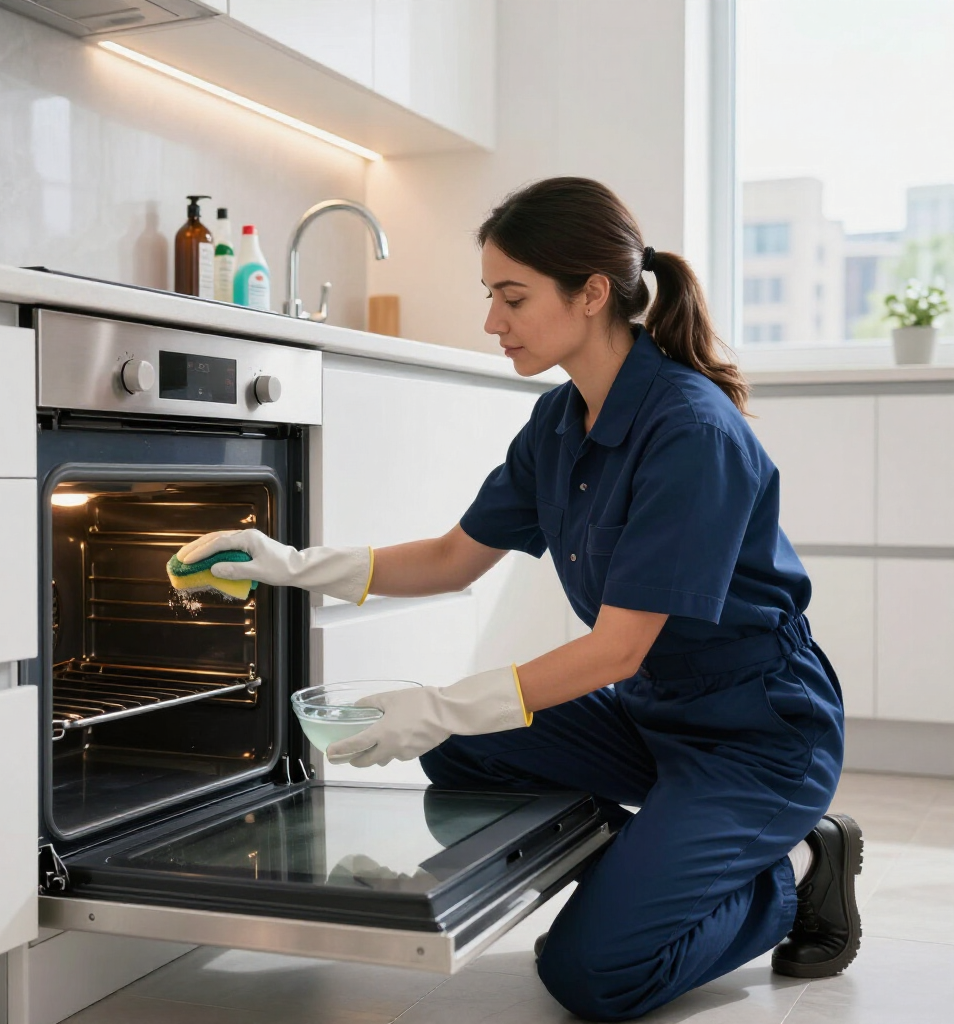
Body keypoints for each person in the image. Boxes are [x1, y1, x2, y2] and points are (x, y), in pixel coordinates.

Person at [177, 177, 862, 1022]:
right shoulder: (558, 421)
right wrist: (290, 564)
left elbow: (616, 650)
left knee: (590, 974)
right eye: (490, 297)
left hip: (757, 736)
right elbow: (453, 558)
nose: (492, 322)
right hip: (653, 715)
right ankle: (661, 860)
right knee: (466, 752)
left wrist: (436, 701)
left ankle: (793, 871)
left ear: (592, 294)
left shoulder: (691, 433)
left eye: (513, 297)